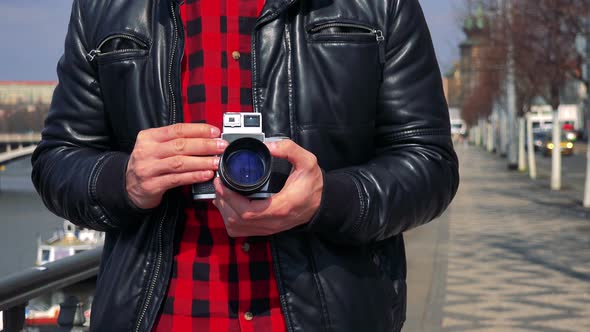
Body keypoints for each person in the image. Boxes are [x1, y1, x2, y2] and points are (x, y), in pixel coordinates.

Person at [32, 0, 459, 331]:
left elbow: (431, 163)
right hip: (163, 316)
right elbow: (57, 159)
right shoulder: (104, 7)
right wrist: (123, 180)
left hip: (331, 314)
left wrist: (325, 199)